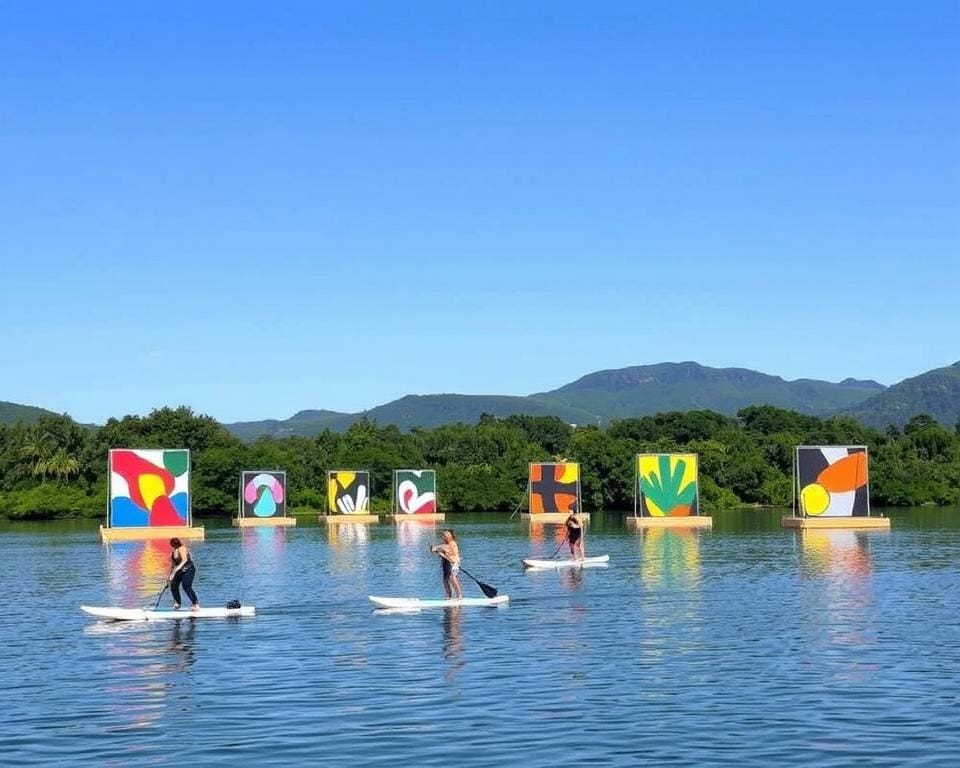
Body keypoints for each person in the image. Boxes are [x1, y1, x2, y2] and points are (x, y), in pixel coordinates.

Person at [168, 537, 200, 611]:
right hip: (179, 571)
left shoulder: (182, 548)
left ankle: (195, 604)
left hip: (188, 570)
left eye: (173, 543)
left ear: (177, 543)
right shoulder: (173, 553)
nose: (172, 545)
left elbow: (184, 560)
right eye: (172, 544)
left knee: (186, 586)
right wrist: (170, 576)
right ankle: (177, 604)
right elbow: (173, 566)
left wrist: (176, 570)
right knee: (173, 586)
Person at [430, 529, 462, 599]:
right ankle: (448, 596)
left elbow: (446, 551)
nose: (444, 535)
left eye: (446, 534)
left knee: (452, 578)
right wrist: (434, 549)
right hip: (446, 563)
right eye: (443, 534)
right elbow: (439, 550)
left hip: (453, 563)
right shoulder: (445, 544)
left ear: (450, 536)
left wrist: (438, 550)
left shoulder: (452, 543)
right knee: (445, 579)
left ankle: (459, 595)